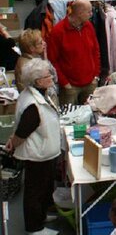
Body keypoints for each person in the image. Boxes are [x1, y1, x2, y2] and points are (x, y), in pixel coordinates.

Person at [5, 59, 60, 235]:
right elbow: (22, 132)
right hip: (37, 154)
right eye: (47, 75)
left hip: (44, 152)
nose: (51, 76)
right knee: (35, 192)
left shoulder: (38, 94)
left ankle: (41, 216)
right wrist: (13, 143)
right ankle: (35, 228)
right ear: (37, 81)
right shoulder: (33, 104)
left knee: (43, 189)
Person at [47, 0, 100, 105]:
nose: (91, 14)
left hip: (90, 83)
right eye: (89, 11)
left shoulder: (88, 26)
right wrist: (65, 83)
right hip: (70, 87)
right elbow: (52, 60)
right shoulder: (58, 32)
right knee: (69, 118)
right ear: (79, 13)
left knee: (91, 115)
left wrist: (96, 76)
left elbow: (96, 51)